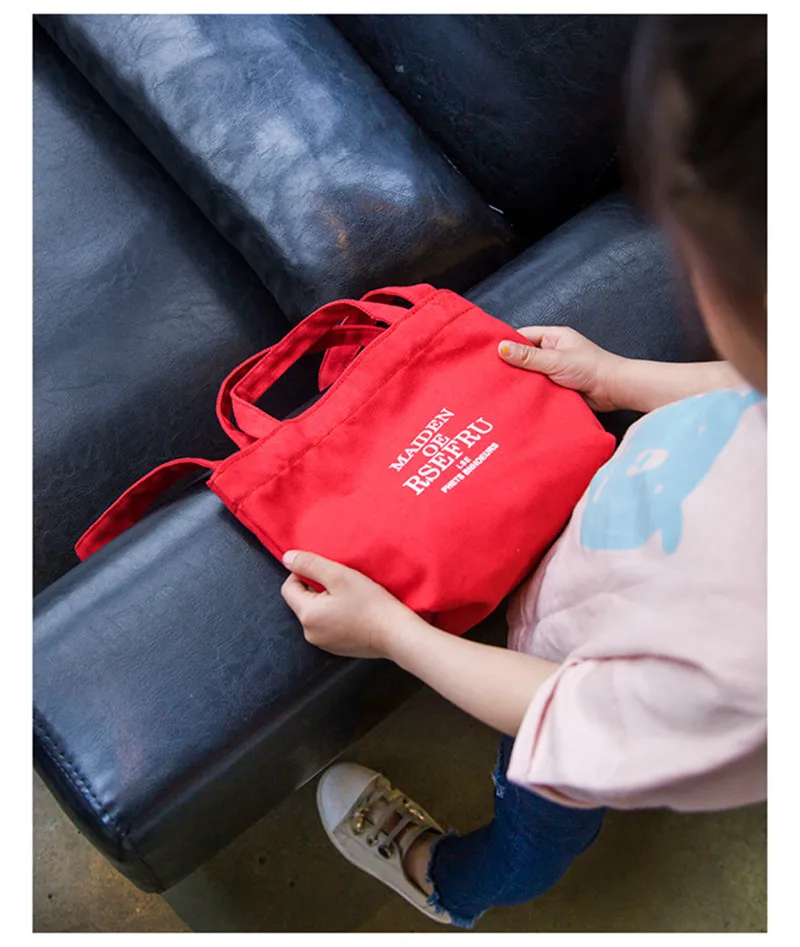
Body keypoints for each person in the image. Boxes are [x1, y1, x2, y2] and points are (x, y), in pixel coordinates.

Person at [280, 13, 766, 928]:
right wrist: (616, 377)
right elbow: (748, 386)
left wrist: (392, 632)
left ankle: (450, 884)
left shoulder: (752, 672)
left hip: (580, 706)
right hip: (600, 584)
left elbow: (563, 715)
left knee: (535, 825)